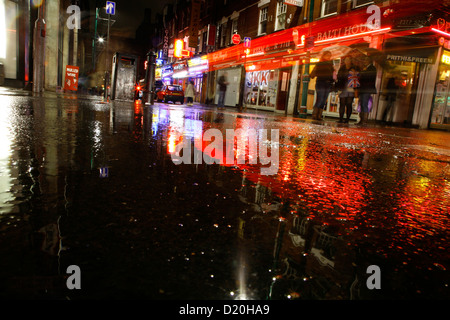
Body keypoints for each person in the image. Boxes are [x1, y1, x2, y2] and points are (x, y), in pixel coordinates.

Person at [310, 51, 335, 120]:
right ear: (324, 56)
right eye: (327, 55)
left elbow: (332, 75)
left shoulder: (331, 64)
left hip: (328, 83)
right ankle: (315, 114)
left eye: (330, 55)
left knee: (324, 100)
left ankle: (319, 115)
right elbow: (314, 73)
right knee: (320, 99)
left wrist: (333, 74)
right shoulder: (320, 63)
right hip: (321, 82)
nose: (329, 57)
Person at [336, 56, 360, 123]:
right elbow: (339, 76)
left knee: (349, 103)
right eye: (346, 60)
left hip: (351, 87)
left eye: (348, 60)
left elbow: (357, 77)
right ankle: (341, 118)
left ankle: (347, 119)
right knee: (342, 103)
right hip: (343, 87)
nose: (347, 61)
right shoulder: (342, 68)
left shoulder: (354, 68)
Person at [357, 56, 377, 125]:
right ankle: (361, 119)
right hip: (363, 88)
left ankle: (364, 120)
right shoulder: (366, 68)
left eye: (366, 60)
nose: (364, 61)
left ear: (369, 61)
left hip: (366, 89)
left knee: (364, 104)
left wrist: (362, 73)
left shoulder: (372, 68)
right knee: (362, 103)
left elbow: (369, 77)